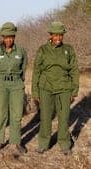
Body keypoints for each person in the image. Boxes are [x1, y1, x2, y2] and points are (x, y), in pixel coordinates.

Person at [32, 21, 79, 155]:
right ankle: (43, 144)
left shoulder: (68, 49)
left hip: (64, 89)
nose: (58, 38)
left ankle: (64, 144)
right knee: (45, 118)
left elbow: (74, 70)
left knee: (64, 118)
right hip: (46, 88)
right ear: (50, 35)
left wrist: (74, 90)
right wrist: (35, 92)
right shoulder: (42, 50)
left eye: (61, 35)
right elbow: (36, 71)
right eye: (56, 35)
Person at [0, 22, 28, 154]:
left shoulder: (21, 51)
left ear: (14, 37)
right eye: (6, 37)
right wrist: (0, 81)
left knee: (17, 114)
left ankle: (16, 141)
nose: (8, 40)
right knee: (1, 114)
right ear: (2, 37)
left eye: (11, 37)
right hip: (1, 85)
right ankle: (0, 141)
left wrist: (17, 80)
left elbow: (23, 68)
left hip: (17, 84)